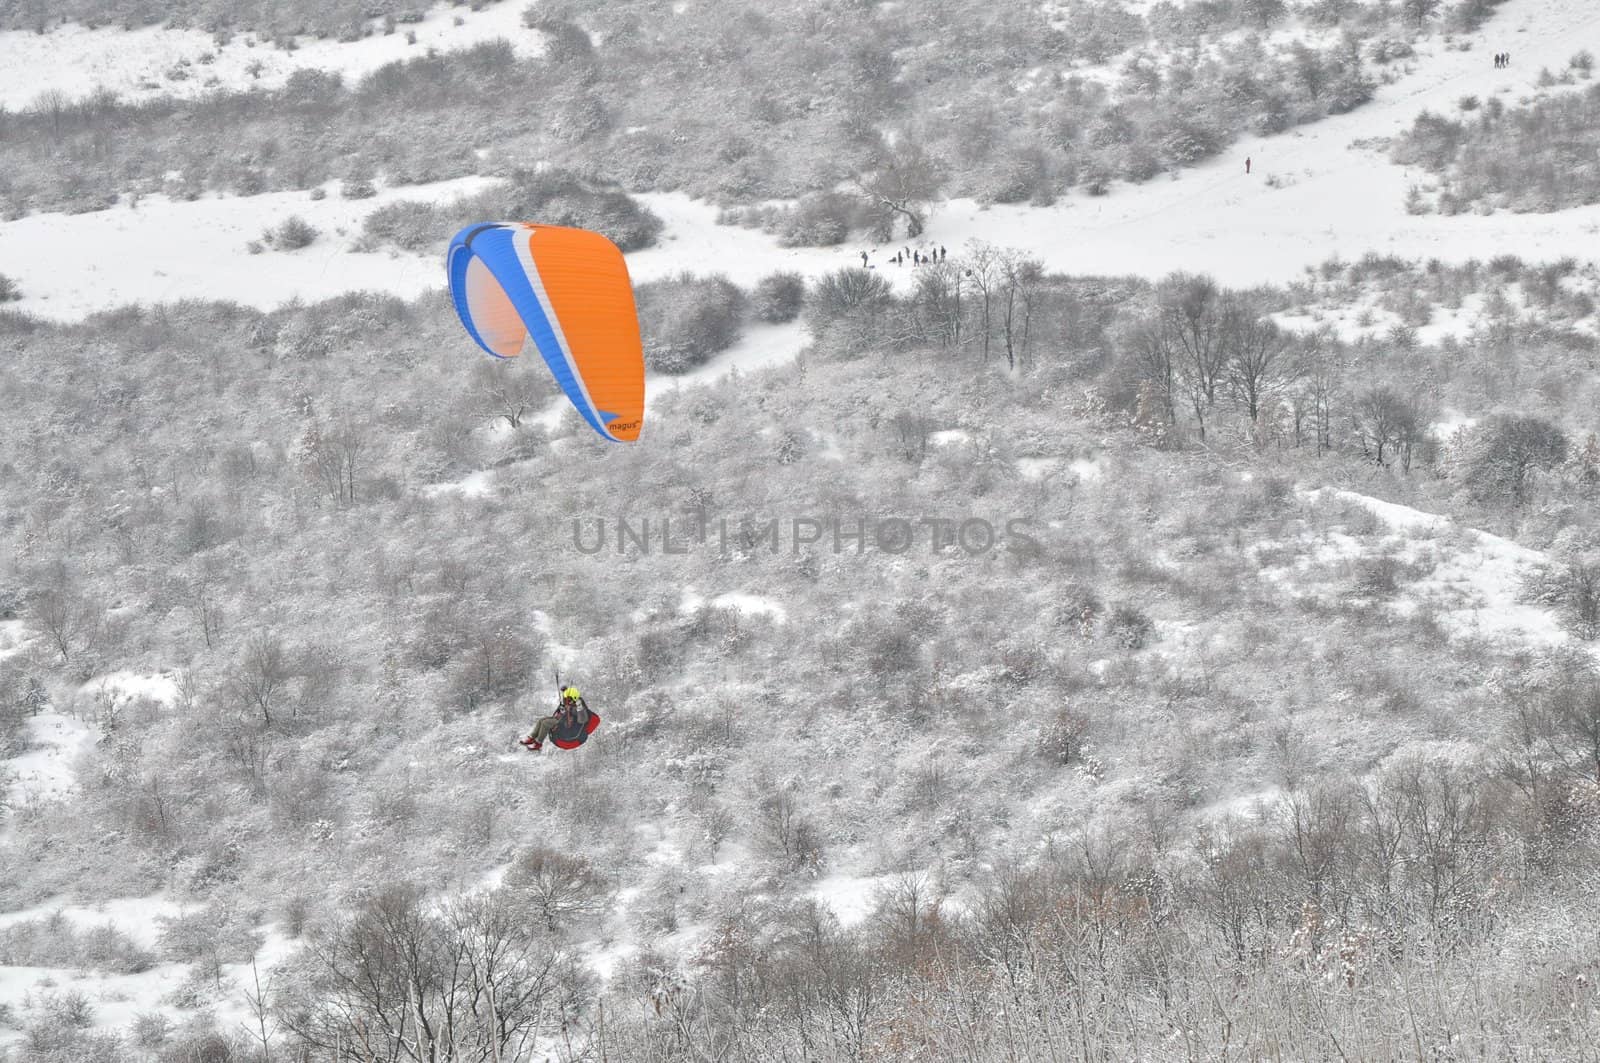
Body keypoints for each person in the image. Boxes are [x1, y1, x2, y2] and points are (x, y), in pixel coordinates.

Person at [520, 685, 591, 751]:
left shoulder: (579, 707)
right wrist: (564, 705)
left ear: (573, 698)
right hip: (562, 720)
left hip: (567, 727)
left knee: (545, 723)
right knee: (541, 720)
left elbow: (582, 720)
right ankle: (531, 738)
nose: (567, 700)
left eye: (568, 699)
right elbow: (566, 709)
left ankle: (538, 743)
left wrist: (576, 709)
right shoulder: (570, 703)